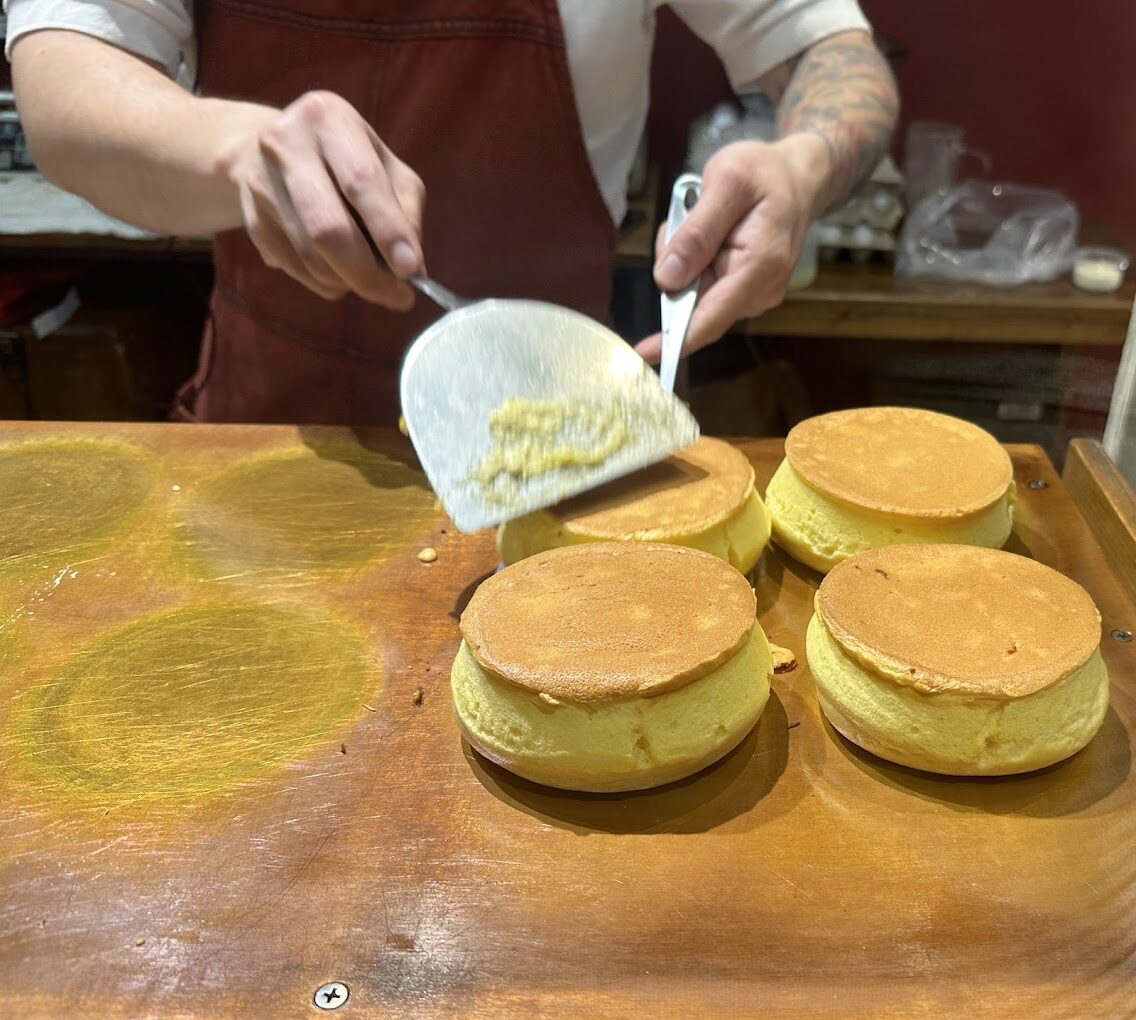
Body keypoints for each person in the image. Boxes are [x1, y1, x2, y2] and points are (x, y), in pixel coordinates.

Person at [7, 1, 897, 425]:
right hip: (267, 436)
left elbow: (832, 50)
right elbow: (65, 85)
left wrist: (806, 162)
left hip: (552, 445)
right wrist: (237, 148)